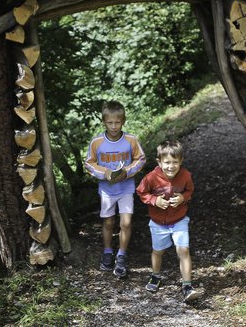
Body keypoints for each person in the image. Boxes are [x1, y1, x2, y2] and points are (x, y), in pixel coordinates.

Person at [85, 100, 146, 278]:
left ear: (123, 121)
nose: (113, 126)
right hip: (106, 190)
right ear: (104, 121)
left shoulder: (131, 140)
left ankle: (122, 255)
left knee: (126, 222)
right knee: (108, 223)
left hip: (126, 187)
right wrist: (105, 173)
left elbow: (140, 159)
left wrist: (127, 171)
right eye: (110, 122)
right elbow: (89, 164)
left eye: (117, 122)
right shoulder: (97, 142)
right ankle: (107, 251)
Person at [136, 140, 202, 303]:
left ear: (181, 161)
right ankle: (155, 276)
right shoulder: (151, 177)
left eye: (175, 162)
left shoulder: (185, 175)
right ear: (159, 162)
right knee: (158, 251)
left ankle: (187, 286)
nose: (171, 166)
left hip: (179, 220)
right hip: (158, 223)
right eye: (167, 162)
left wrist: (182, 198)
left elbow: (189, 191)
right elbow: (141, 192)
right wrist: (154, 200)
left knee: (183, 251)